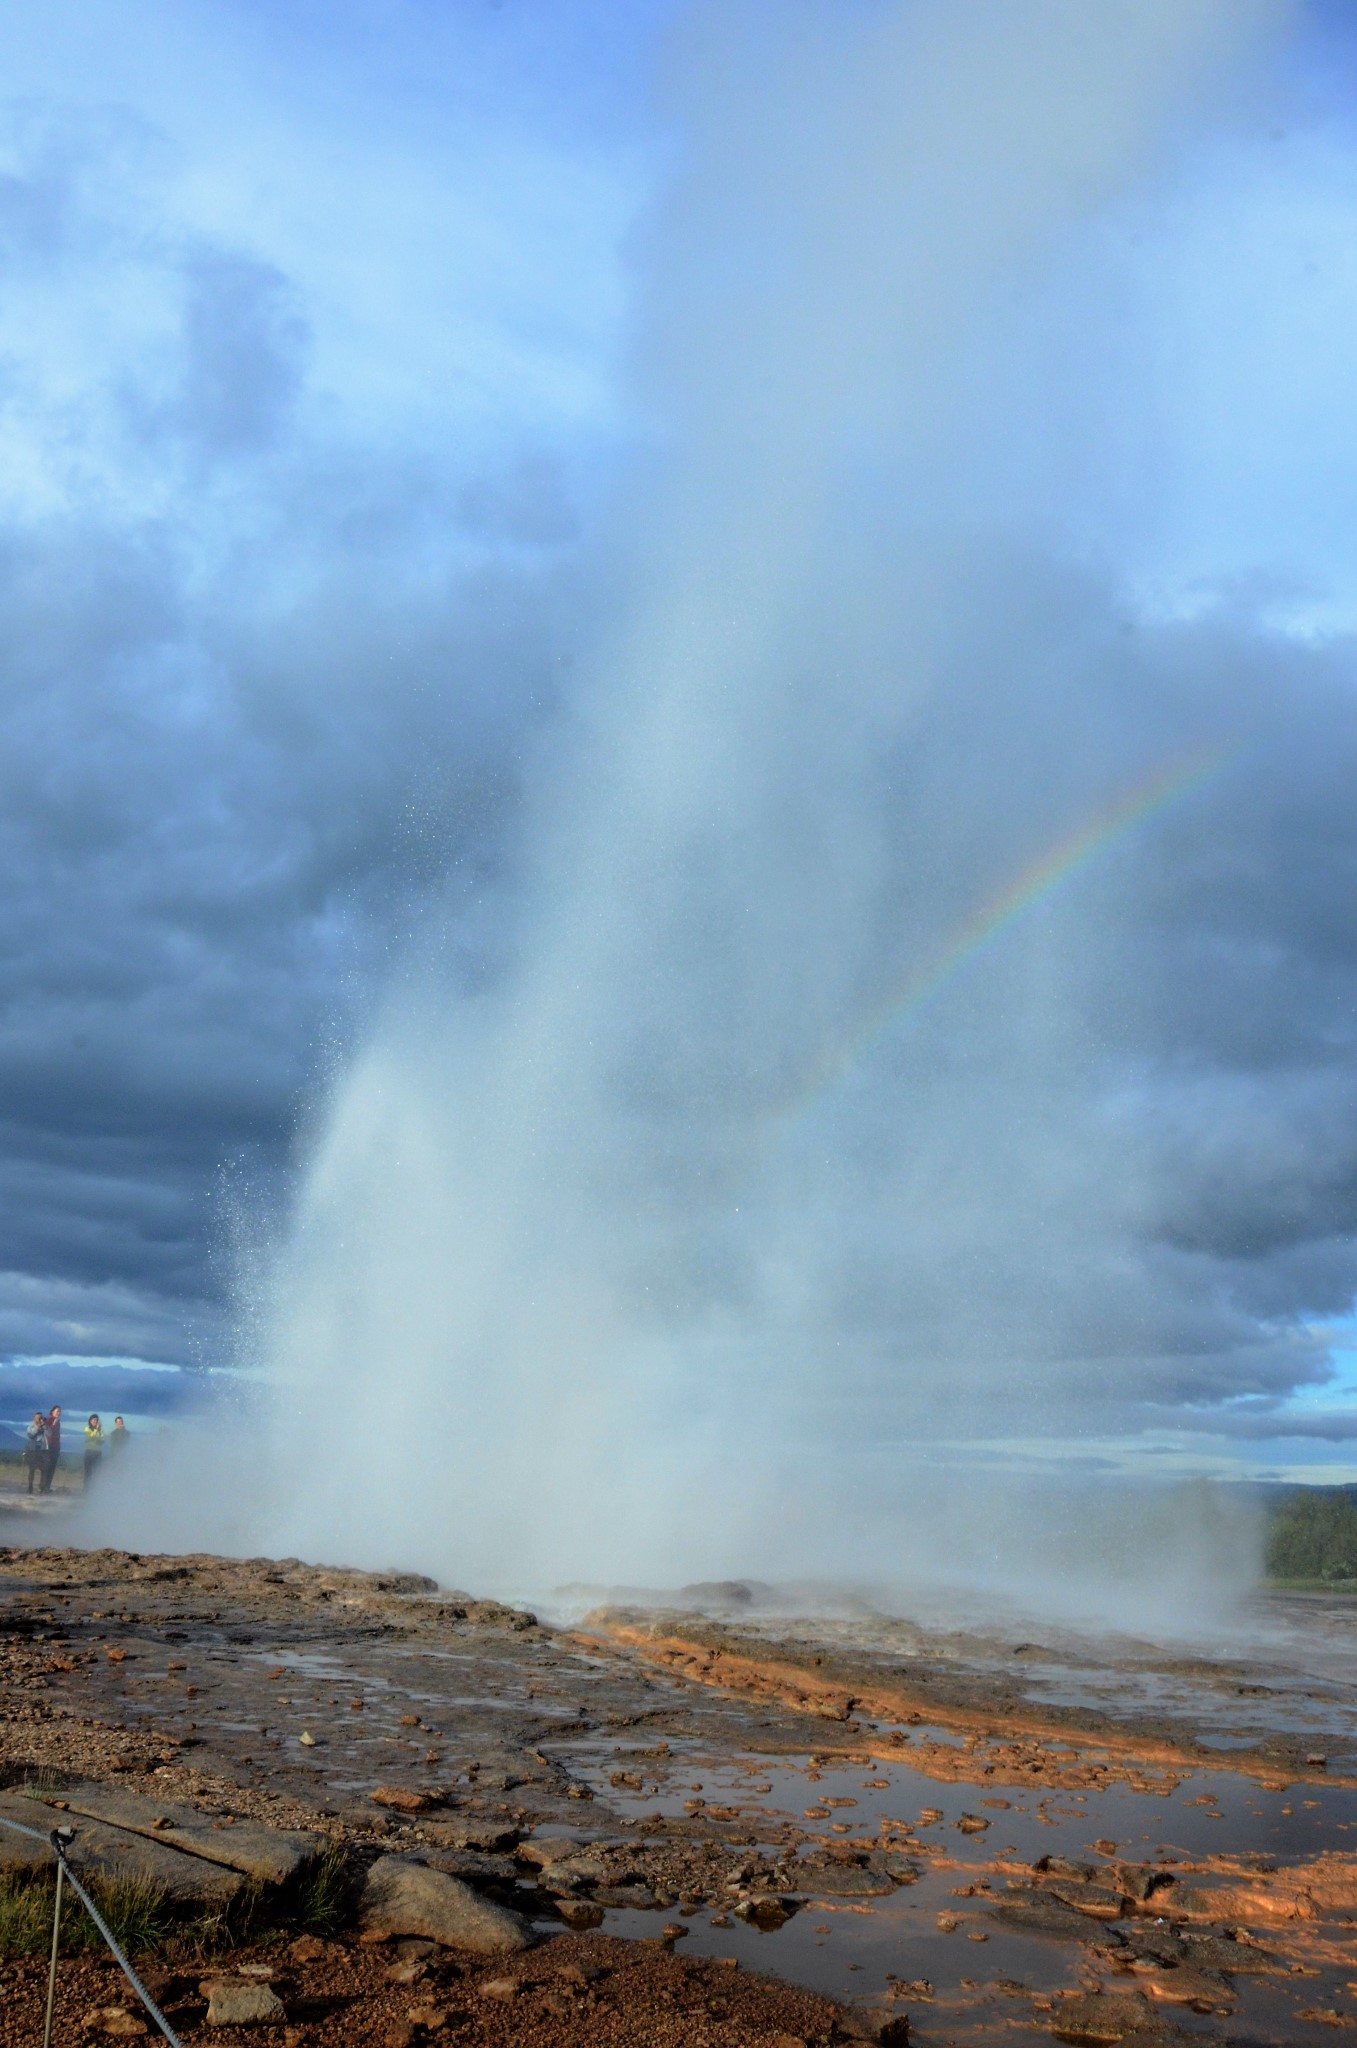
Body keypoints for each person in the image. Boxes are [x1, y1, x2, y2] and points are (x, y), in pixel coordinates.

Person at [39, 1405, 61, 1494]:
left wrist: (59, 1447)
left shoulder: (58, 1422)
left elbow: (57, 1436)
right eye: (57, 1411)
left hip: (55, 1447)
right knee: (46, 1468)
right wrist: (53, 1424)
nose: (59, 1413)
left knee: (52, 1468)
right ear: (52, 1412)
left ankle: (47, 1487)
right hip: (48, 1447)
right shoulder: (49, 1420)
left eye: (60, 1411)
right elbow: (47, 1432)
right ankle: (42, 1487)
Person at [23, 1412, 45, 1494]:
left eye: (40, 1418)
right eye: (37, 1418)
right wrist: (37, 1427)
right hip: (33, 1449)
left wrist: (44, 1426)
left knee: (43, 1469)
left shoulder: (44, 1427)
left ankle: (41, 1487)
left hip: (42, 1449)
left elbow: (49, 1433)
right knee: (31, 1469)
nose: (39, 1419)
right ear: (34, 1418)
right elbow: (31, 1435)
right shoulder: (30, 1427)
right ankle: (30, 1487)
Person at [83, 1413, 104, 1489]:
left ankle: (94, 1490)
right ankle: (86, 1490)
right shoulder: (87, 1429)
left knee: (97, 1472)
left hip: (97, 1453)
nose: (95, 1421)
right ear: (90, 1421)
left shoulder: (100, 1431)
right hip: (89, 1452)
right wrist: (95, 1431)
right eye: (93, 1420)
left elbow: (102, 1440)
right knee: (88, 1473)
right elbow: (89, 1437)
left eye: (96, 1420)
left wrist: (97, 1432)